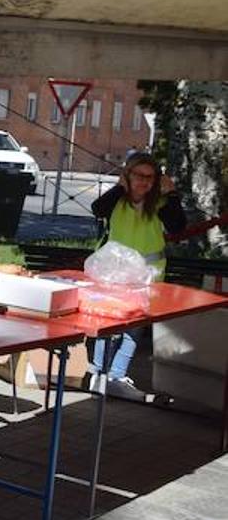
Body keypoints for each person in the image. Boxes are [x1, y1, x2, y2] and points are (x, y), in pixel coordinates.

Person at [89, 153, 186, 399]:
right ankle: (98, 374)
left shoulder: (160, 203)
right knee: (108, 324)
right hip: (115, 272)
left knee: (134, 328)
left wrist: (171, 194)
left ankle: (117, 375)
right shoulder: (117, 199)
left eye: (150, 177)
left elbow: (178, 226)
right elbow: (97, 209)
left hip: (148, 275)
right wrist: (119, 188)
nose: (144, 182)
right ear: (127, 176)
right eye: (138, 176)